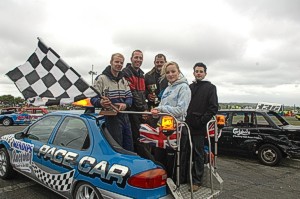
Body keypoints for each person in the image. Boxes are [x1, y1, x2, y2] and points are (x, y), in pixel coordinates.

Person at [151, 61, 191, 182]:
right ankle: (161, 184)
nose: (170, 74)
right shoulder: (167, 88)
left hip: (177, 129)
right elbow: (161, 107)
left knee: (173, 162)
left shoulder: (184, 87)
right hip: (163, 128)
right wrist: (155, 114)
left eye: (173, 71)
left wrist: (161, 109)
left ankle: (174, 184)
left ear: (179, 72)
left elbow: (181, 110)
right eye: (167, 72)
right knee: (159, 159)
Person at [185, 62, 218, 192]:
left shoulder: (210, 88)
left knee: (198, 153)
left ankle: (196, 181)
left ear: (205, 73)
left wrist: (201, 121)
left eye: (201, 71)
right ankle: (184, 177)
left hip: (198, 127)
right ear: (193, 73)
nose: (198, 73)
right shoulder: (189, 87)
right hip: (186, 126)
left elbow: (213, 108)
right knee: (186, 152)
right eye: (196, 71)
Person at [90, 53, 134, 151]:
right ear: (111, 62)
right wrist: (100, 102)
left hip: (124, 116)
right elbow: (92, 98)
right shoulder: (101, 78)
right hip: (110, 117)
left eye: (121, 63)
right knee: (116, 147)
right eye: (116, 62)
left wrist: (125, 104)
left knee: (129, 146)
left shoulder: (123, 80)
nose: (119, 64)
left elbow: (130, 97)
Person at [122, 50, 155, 160]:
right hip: (133, 111)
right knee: (138, 138)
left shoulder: (141, 73)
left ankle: (148, 159)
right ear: (131, 59)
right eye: (136, 57)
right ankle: (146, 161)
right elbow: (133, 93)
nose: (138, 60)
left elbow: (142, 93)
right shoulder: (126, 72)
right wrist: (143, 109)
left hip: (142, 111)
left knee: (147, 136)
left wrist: (148, 96)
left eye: (140, 58)